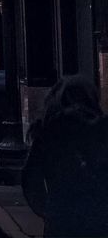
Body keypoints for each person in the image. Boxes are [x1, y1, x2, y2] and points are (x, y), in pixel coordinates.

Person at [22, 75, 108, 237]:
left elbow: (31, 180)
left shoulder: (48, 131)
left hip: (61, 219)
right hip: (99, 220)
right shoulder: (102, 129)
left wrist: (47, 211)